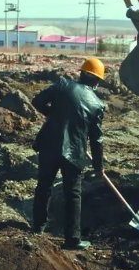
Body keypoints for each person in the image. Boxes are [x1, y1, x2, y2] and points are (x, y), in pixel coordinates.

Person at [31, 57, 106, 250]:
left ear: (80, 73)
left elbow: (37, 101)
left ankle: (38, 227)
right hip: (73, 152)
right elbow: (96, 138)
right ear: (97, 81)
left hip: (48, 145)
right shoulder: (97, 104)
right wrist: (99, 167)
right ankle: (72, 239)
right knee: (73, 194)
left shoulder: (62, 84)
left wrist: (55, 114)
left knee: (43, 186)